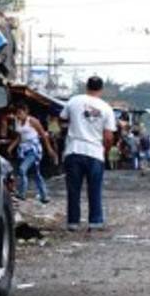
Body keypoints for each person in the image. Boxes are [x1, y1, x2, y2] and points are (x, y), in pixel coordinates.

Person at [60, 76, 117, 232]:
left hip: (74, 149)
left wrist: (72, 129)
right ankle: (95, 221)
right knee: (94, 189)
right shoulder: (106, 108)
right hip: (95, 152)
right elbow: (109, 136)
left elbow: (62, 119)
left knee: (73, 189)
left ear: (86, 87)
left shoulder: (73, 101)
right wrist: (105, 149)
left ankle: (73, 222)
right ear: (101, 89)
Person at [7, 103, 58, 203]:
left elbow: (43, 135)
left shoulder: (33, 121)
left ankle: (22, 194)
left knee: (22, 169)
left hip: (33, 149)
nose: (18, 115)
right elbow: (19, 137)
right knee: (35, 173)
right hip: (23, 149)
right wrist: (11, 147)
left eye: (20, 113)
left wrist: (49, 149)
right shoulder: (17, 121)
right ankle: (44, 196)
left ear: (26, 112)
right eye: (17, 113)